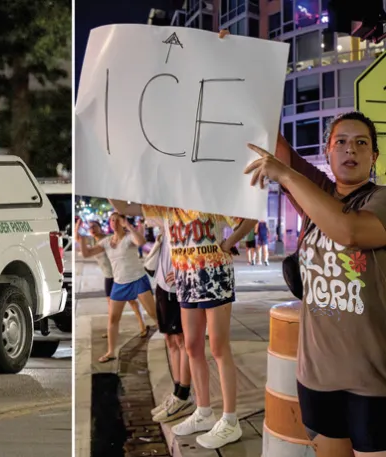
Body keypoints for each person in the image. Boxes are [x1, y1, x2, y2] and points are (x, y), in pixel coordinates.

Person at [245, 111, 386, 457]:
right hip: (317, 376)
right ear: (327, 152)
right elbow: (277, 147)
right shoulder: (318, 194)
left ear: (374, 157)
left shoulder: (381, 200)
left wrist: (287, 176)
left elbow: (350, 231)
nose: (349, 149)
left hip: (372, 379)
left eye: (361, 143)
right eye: (340, 142)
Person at [110, 196, 256, 449]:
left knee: (219, 348)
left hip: (215, 277)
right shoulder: (167, 207)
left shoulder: (211, 199)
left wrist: (230, 241)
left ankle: (230, 420)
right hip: (185, 280)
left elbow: (249, 219)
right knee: (192, 346)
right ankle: (203, 410)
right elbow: (123, 208)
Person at [77, 212, 159, 363]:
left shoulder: (129, 238)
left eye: (116, 220)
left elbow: (141, 242)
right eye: (111, 220)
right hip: (119, 283)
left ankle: (172, 338)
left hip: (138, 280)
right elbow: (87, 253)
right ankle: (110, 352)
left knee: (153, 314)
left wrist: (127, 225)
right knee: (113, 319)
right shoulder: (107, 242)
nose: (113, 222)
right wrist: (81, 238)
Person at [148, 221, 195, 424]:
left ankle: (183, 395)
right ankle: (177, 392)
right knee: (170, 340)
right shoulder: (165, 218)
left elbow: (196, 250)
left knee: (181, 340)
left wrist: (182, 272)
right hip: (162, 285)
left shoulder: (185, 218)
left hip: (176, 288)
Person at [82, 219, 149, 339]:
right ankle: (111, 330)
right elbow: (83, 246)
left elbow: (132, 241)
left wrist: (139, 226)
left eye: (94, 226)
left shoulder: (110, 238)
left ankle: (143, 325)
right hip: (108, 276)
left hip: (119, 276)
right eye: (90, 227)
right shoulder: (92, 241)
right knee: (111, 306)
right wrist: (78, 229)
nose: (92, 229)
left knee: (133, 302)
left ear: (100, 227)